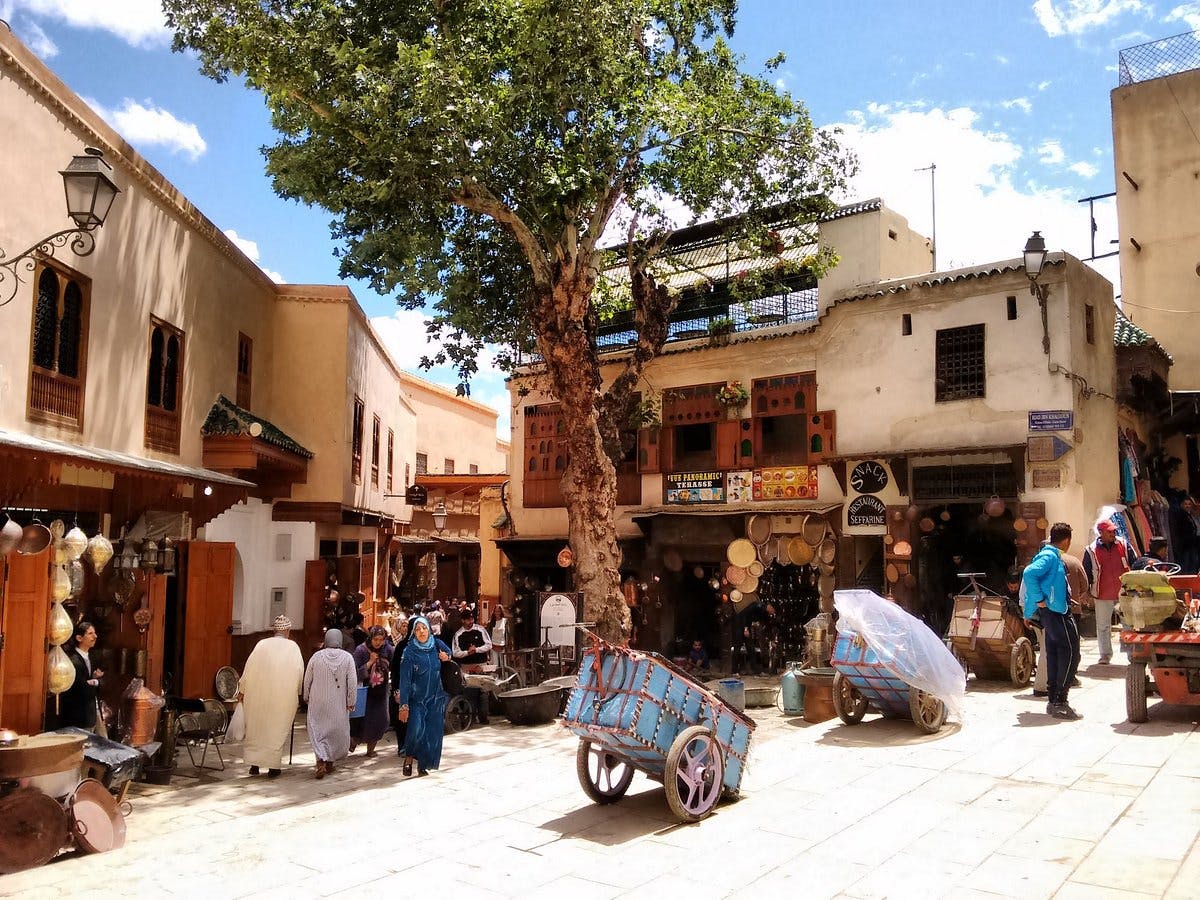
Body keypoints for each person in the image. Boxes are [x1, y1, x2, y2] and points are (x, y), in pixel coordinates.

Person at [1023, 523, 1082, 720]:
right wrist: (1041, 601)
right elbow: (1029, 573)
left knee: (1056, 653)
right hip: (1055, 613)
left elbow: (1048, 582)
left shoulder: (1051, 555)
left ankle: (1054, 700)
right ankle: (1060, 701)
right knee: (1070, 653)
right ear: (1067, 540)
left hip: (1054, 610)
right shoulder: (1050, 555)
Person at [238, 615, 305, 778]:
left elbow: (249, 668)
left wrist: (243, 689)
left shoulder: (261, 644)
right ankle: (273, 767)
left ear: (274, 630)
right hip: (282, 696)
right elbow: (299, 671)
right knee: (276, 729)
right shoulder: (293, 647)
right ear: (288, 631)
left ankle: (254, 764)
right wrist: (298, 692)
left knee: (257, 728)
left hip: (258, 694)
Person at [396, 616, 451, 777]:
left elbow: (449, 652)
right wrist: (404, 705)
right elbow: (405, 681)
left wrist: (446, 657)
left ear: (429, 629)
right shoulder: (409, 652)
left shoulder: (436, 644)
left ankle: (424, 765)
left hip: (436, 698)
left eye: (424, 628)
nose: (421, 631)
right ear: (413, 632)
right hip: (417, 700)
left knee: (432, 733)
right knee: (415, 731)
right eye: (418, 629)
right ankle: (409, 759)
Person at [303, 629, 357, 779]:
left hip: (317, 700)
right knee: (335, 731)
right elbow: (352, 682)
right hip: (338, 701)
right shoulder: (347, 658)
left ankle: (321, 760)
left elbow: (307, 679)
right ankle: (329, 762)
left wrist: (306, 696)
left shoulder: (316, 657)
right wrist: (351, 701)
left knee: (318, 730)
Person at [1082, 521, 1136, 664]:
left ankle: (1132, 654)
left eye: (1113, 531)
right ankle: (1105, 655)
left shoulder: (1124, 545)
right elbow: (1086, 571)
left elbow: (1134, 563)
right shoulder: (1091, 550)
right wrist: (1086, 592)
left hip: (1124, 592)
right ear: (1101, 533)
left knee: (1128, 624)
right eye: (1109, 531)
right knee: (1103, 626)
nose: (1113, 533)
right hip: (1102, 593)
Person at [350, 626, 393, 758]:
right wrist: (369, 663)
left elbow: (394, 664)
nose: (378, 642)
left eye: (381, 639)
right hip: (365, 692)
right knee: (362, 721)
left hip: (381, 692)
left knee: (381, 720)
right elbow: (353, 673)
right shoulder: (361, 650)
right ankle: (353, 742)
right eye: (376, 639)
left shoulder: (388, 649)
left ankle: (371, 749)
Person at [451, 607, 493, 725]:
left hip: (481, 665)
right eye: (468, 620)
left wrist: (477, 650)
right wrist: (467, 653)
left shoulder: (480, 630)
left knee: (483, 692)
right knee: (469, 693)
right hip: (467, 667)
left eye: (472, 619)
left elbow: (489, 645)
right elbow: (455, 652)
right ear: (463, 621)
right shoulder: (458, 634)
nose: (470, 621)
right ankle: (471, 718)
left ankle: (484, 717)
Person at [59, 621, 102, 730]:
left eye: (95, 633)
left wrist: (95, 681)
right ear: (79, 638)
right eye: (90, 633)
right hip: (79, 714)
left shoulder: (92, 657)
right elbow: (80, 688)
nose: (95, 636)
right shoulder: (74, 661)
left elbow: (101, 681)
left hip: (92, 710)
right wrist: (94, 682)